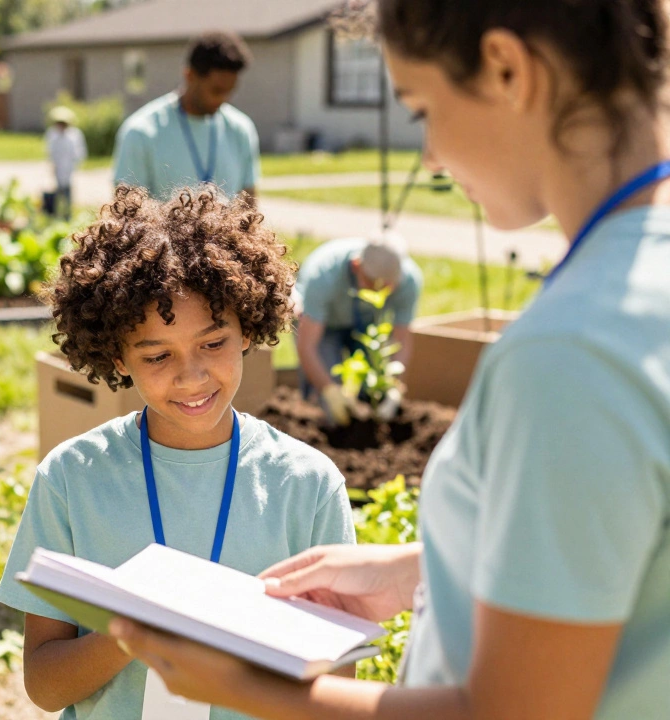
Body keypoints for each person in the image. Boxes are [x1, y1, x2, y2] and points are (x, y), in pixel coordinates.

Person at [108, 2, 670, 718]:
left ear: (506, 69)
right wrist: (422, 570)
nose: (430, 157)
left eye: (421, 109)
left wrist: (241, 683)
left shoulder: (571, 353)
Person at [0, 186, 356, 720]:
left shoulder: (306, 484)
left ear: (247, 329)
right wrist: (132, 631)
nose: (191, 376)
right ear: (117, 357)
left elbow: (338, 685)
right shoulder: (71, 478)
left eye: (213, 344)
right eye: (158, 355)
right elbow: (46, 687)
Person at [113, 31, 261, 201]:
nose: (223, 99)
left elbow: (249, 206)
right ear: (189, 75)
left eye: (229, 91)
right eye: (216, 91)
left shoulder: (240, 129)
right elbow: (125, 214)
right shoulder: (141, 132)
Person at [293, 236, 422, 424]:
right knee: (330, 405)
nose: (383, 291)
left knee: (369, 393)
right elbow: (307, 346)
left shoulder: (408, 279)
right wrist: (329, 390)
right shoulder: (322, 275)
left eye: (389, 286)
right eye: (374, 284)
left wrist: (394, 385)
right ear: (356, 266)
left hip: (367, 327)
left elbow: (401, 340)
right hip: (323, 327)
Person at [45, 105, 87, 219]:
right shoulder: (52, 134)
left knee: (68, 190)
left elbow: (79, 152)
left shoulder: (74, 135)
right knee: (58, 191)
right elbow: (50, 152)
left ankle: (68, 214)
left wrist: (75, 164)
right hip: (58, 167)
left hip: (69, 167)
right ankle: (56, 213)